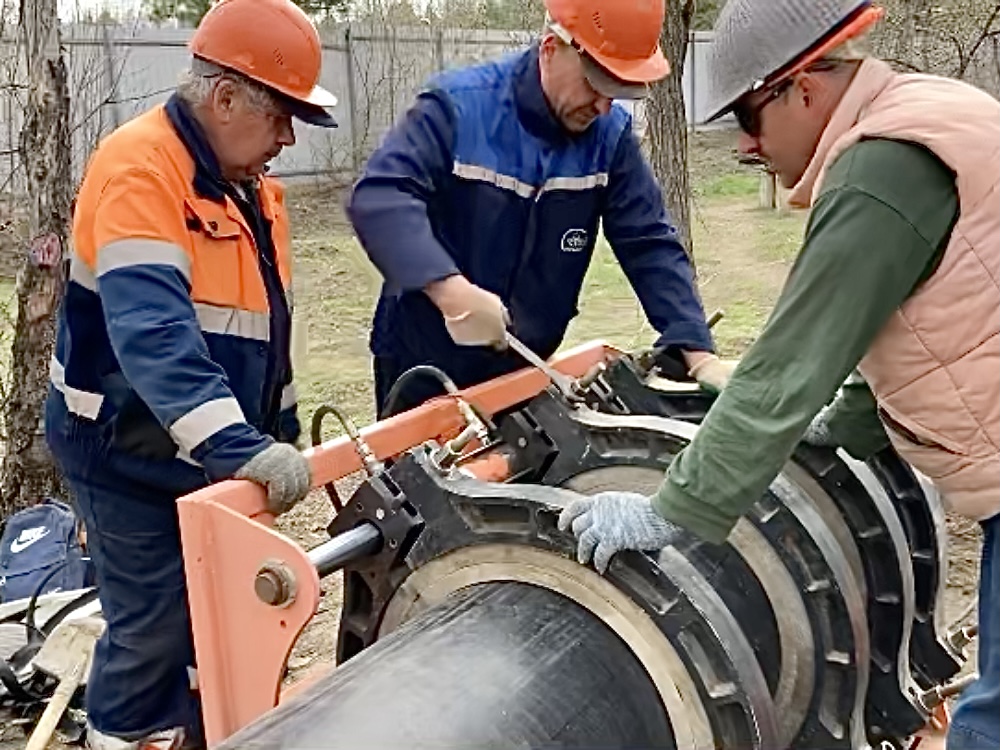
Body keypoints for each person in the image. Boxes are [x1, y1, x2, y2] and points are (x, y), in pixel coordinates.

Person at [558, 0, 1000, 747]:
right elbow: (926, 313)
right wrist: (852, 424)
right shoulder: (934, 112)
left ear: (802, 85)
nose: (745, 147)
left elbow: (791, 361)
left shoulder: (883, 164)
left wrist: (671, 509)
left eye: (748, 119)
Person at [44, 0, 338, 745]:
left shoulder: (252, 190)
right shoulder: (139, 170)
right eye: (280, 115)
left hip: (203, 450)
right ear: (226, 96)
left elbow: (264, 327)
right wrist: (242, 449)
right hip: (126, 451)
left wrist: (278, 426)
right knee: (154, 634)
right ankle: (126, 735)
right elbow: (155, 337)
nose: (288, 136)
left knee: (219, 626)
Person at [347, 0, 732, 418]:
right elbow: (380, 196)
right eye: (595, 83)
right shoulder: (457, 109)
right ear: (551, 47)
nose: (604, 105)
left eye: (617, 88)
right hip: (422, 362)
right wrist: (450, 291)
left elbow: (649, 244)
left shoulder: (610, 138)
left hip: (524, 368)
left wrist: (698, 353)